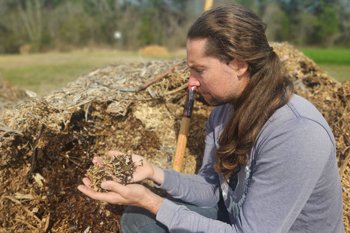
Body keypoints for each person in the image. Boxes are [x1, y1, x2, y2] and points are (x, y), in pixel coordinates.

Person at [78, 4, 344, 233]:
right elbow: (212, 189)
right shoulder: (223, 112)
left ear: (239, 64)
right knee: (140, 219)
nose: (191, 82)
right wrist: (153, 173)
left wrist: (152, 201)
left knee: (150, 209)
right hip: (239, 220)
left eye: (200, 70)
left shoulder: (296, 133)